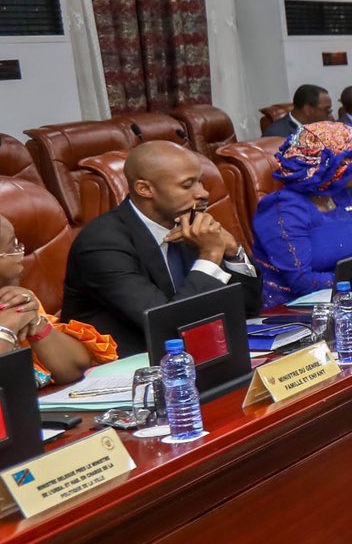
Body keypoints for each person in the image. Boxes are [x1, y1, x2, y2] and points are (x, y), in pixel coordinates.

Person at [61, 141, 263, 356]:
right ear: (145, 189)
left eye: (200, 182)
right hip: (125, 365)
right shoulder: (102, 244)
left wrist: (232, 251)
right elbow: (168, 327)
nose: (203, 193)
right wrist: (211, 255)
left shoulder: (189, 225)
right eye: (187, 185)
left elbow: (248, 309)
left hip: (188, 357)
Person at [251, 121, 352, 306]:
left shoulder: (340, 195)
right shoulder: (284, 209)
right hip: (289, 311)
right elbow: (302, 282)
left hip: (342, 300)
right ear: (330, 167)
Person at [0, 216, 115, 386]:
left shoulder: (15, 301)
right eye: (13, 247)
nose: (20, 257)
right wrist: (5, 330)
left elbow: (77, 369)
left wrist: (38, 325)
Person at [263, 84, 332, 139]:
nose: (330, 114)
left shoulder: (322, 126)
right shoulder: (276, 135)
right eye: (326, 109)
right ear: (307, 109)